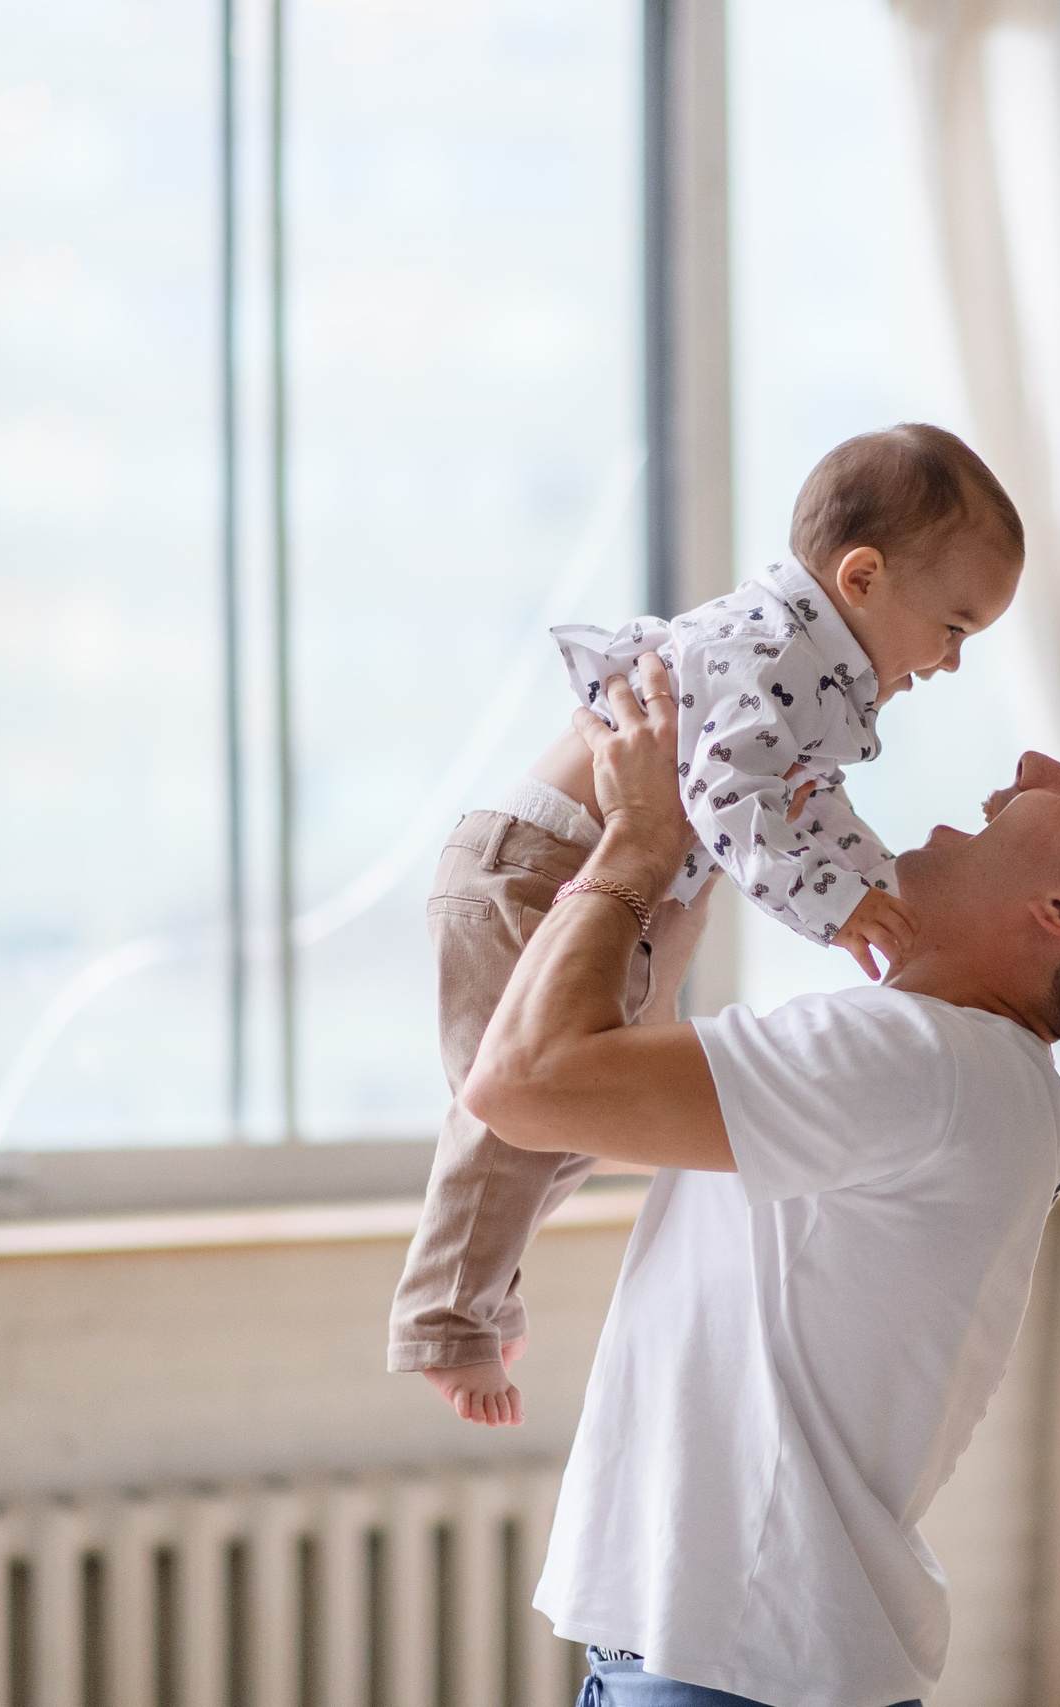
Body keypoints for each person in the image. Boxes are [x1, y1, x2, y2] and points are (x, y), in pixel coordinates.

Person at [463, 653, 1060, 1707]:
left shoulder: (918, 1061)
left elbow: (524, 1082)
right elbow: (607, 1085)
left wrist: (639, 843)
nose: (1032, 762)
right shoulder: (967, 1077)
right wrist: (698, 848)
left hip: (732, 1673)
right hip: (735, 1662)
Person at [391, 425, 1028, 1427]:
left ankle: (481, 1282)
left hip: (619, 895)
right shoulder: (765, 649)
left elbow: (804, 802)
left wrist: (876, 892)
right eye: (953, 626)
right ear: (860, 578)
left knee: (569, 1131)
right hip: (533, 871)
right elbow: (732, 805)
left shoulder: (814, 675)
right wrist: (833, 907)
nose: (950, 662)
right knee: (515, 1112)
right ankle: (444, 1316)